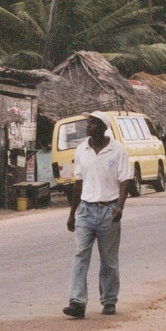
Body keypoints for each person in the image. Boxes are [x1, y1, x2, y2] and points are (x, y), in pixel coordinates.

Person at [64, 116, 132, 319]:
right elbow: (78, 182)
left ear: (103, 128)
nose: (88, 126)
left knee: (109, 260)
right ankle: (77, 302)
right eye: (88, 123)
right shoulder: (81, 150)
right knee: (80, 255)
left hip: (109, 210)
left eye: (92, 123)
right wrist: (72, 213)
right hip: (86, 210)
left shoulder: (117, 150)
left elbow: (125, 179)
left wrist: (120, 206)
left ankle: (109, 300)